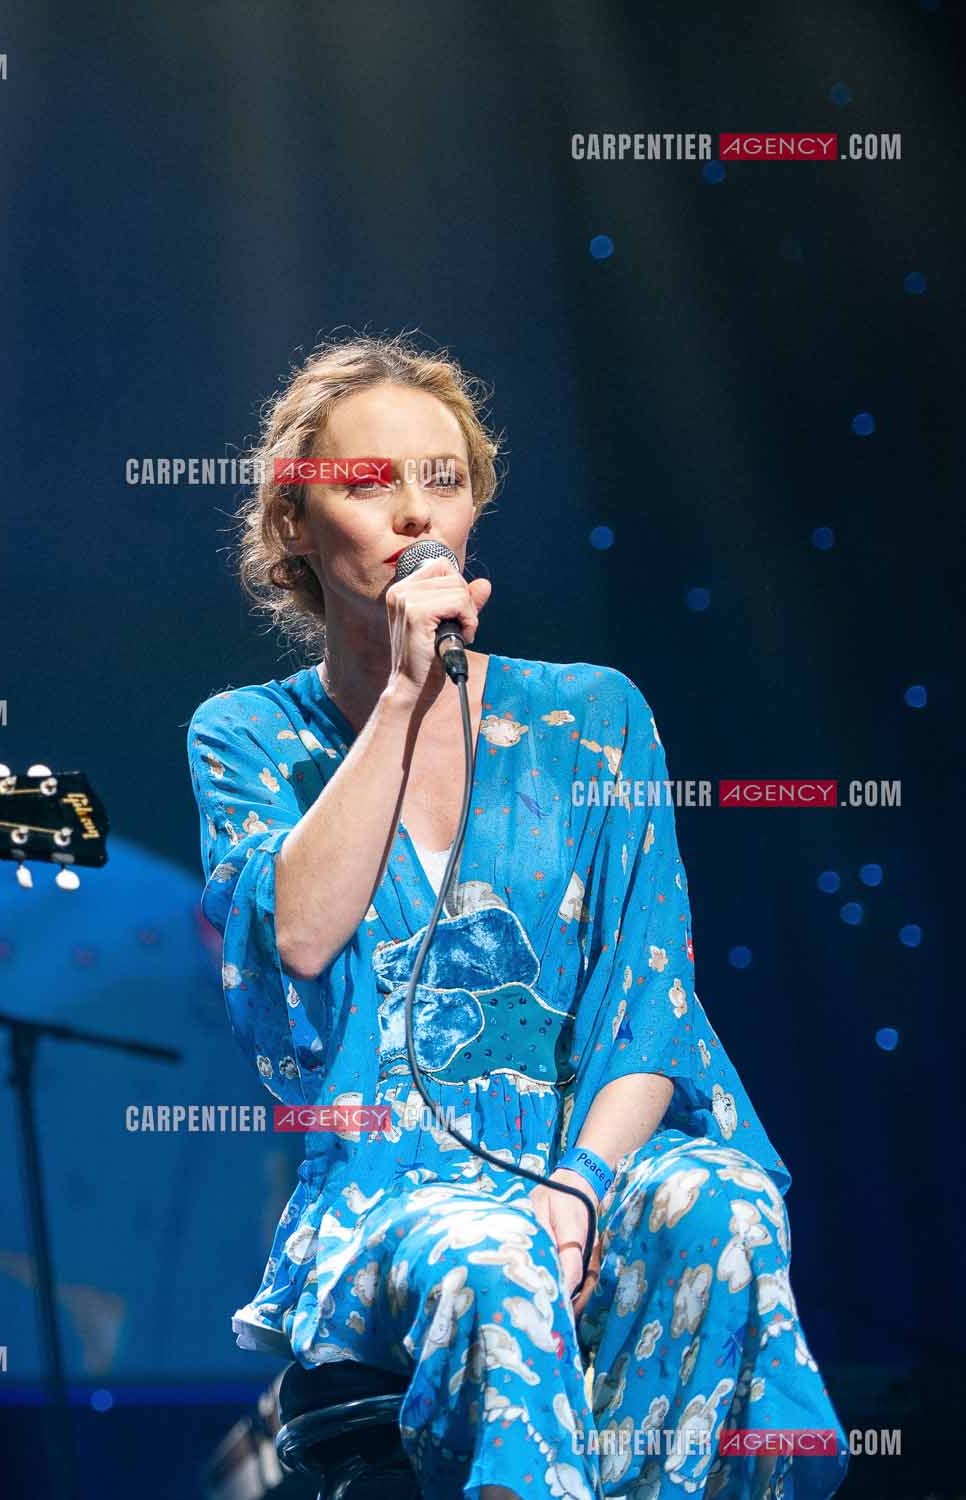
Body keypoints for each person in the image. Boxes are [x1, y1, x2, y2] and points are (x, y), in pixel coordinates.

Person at [188, 335, 846, 1499]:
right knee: (490, 1255)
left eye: (442, 480)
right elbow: (295, 941)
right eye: (367, 482)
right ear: (293, 524)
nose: (412, 512)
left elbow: (651, 1003)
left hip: (586, 1164)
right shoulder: (247, 737)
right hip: (393, 1195)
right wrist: (403, 693)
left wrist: (580, 1189)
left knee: (719, 1202)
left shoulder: (591, 717)